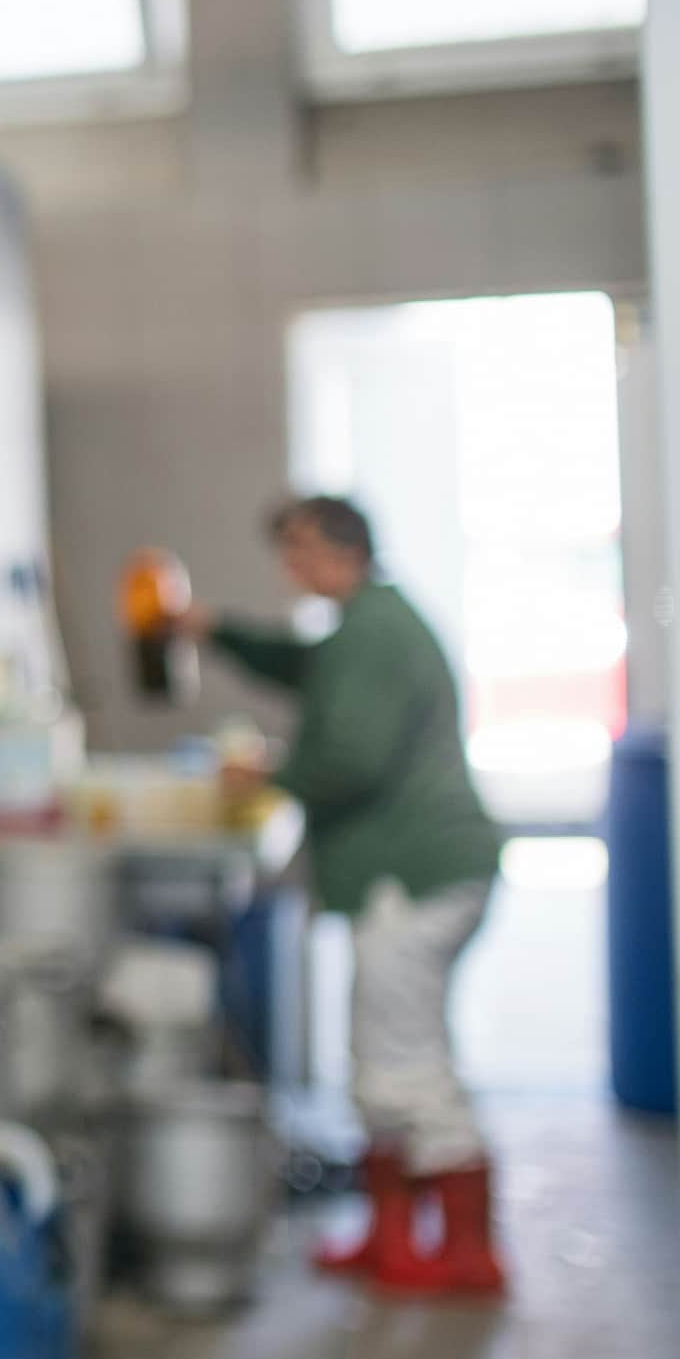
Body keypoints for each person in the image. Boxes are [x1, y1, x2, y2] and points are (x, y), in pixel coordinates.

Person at [188, 491, 509, 1297]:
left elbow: (351, 761)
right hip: (419, 874)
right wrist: (215, 629)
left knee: (406, 1060)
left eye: (299, 550)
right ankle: (392, 1232)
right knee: (380, 1054)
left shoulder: (371, 632)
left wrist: (266, 769)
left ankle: (468, 1252)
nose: (290, 568)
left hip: (414, 877)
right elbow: (302, 665)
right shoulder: (364, 625)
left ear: (344, 548)